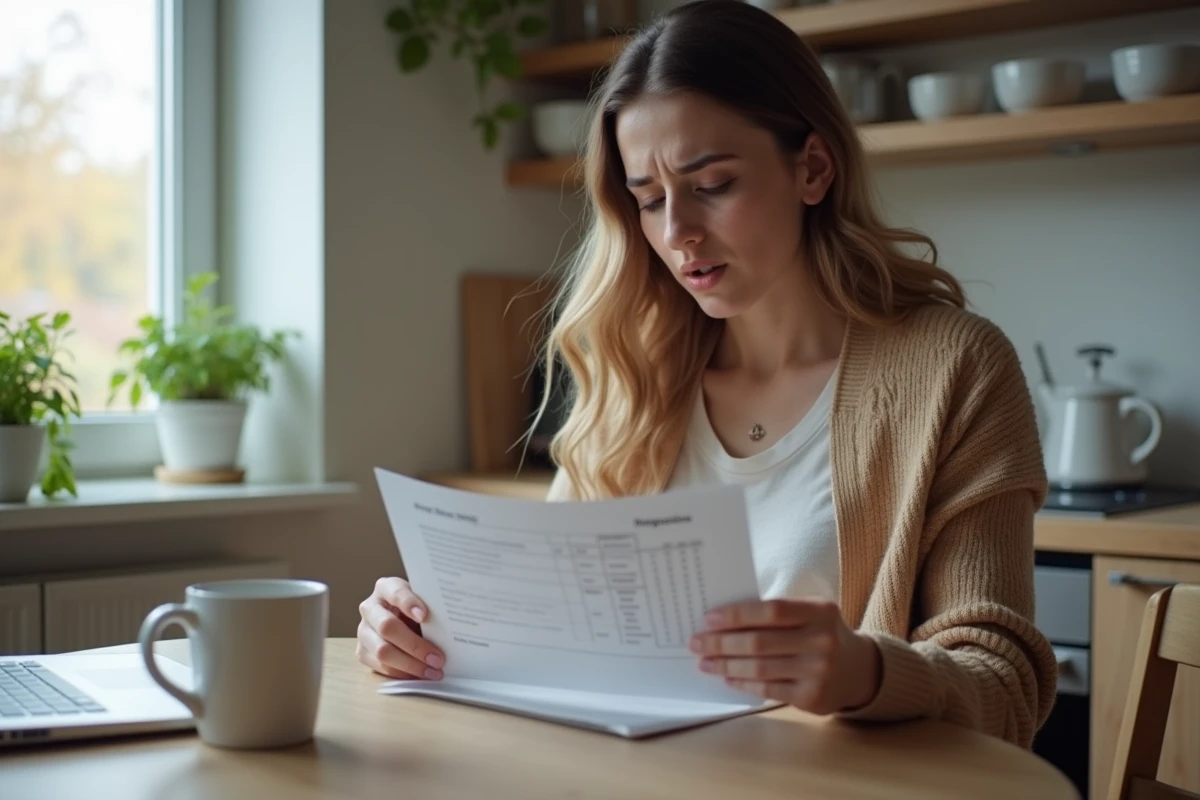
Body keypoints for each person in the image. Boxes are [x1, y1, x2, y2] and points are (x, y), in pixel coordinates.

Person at [357, 0, 1057, 749]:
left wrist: (864, 673)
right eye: (649, 199)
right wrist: (422, 632)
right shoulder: (638, 374)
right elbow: (545, 632)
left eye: (713, 184)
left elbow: (1005, 685)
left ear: (813, 168)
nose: (676, 231)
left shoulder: (956, 369)